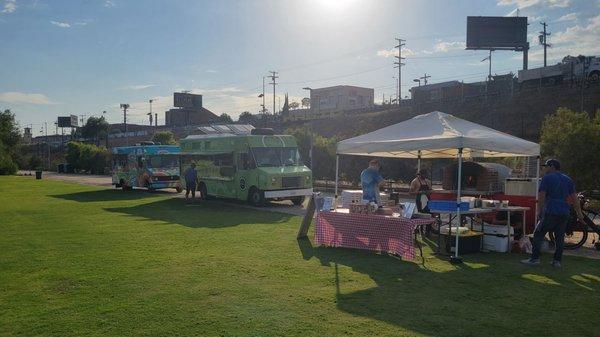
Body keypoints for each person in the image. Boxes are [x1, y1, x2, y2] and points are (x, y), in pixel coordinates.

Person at [521, 159, 583, 267]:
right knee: (559, 238)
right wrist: (579, 213)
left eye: (546, 166)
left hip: (551, 211)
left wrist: (539, 210)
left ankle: (534, 259)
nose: (544, 169)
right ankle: (557, 261)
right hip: (564, 212)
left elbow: (542, 196)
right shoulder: (568, 180)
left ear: (552, 166)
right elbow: (574, 198)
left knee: (538, 234)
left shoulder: (546, 178)